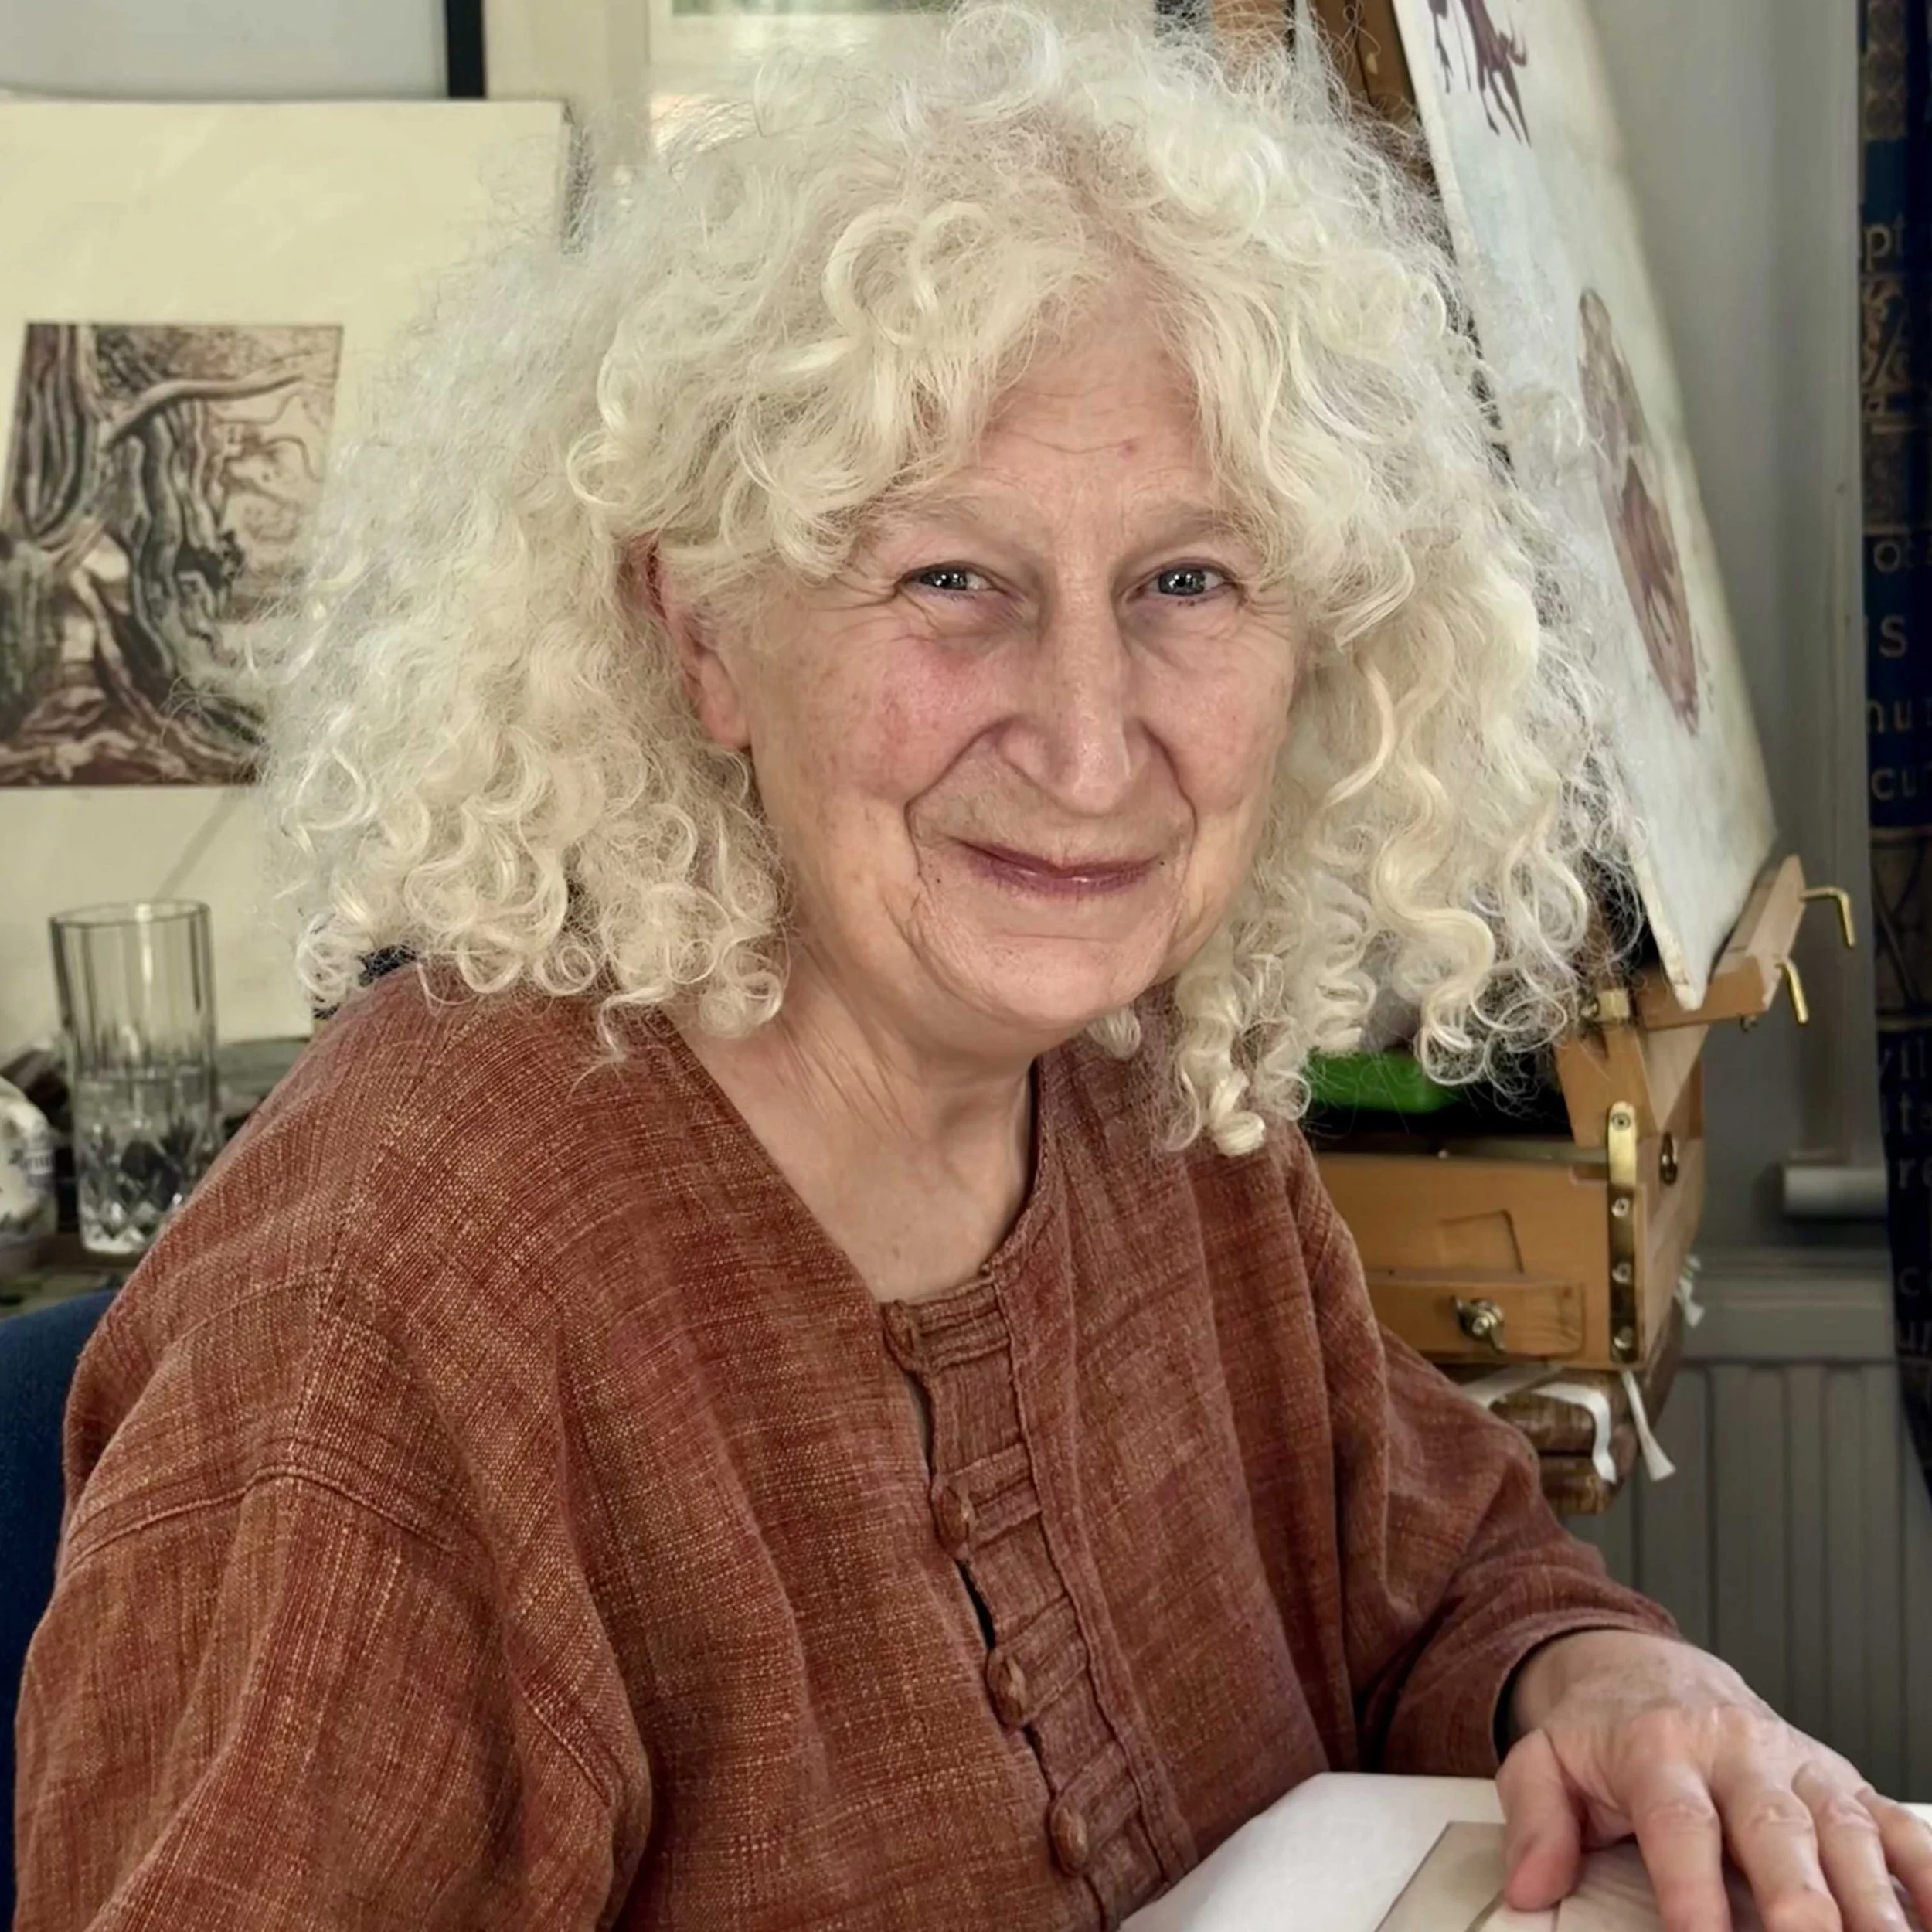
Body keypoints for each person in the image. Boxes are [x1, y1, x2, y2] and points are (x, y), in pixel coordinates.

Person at [14, 9, 1930, 1930]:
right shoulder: (396, 1306)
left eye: (1188, 580)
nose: (1091, 749)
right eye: (949, 580)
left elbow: (1430, 1576)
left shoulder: (1146, 1086)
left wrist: (1602, 1676)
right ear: (697, 632)